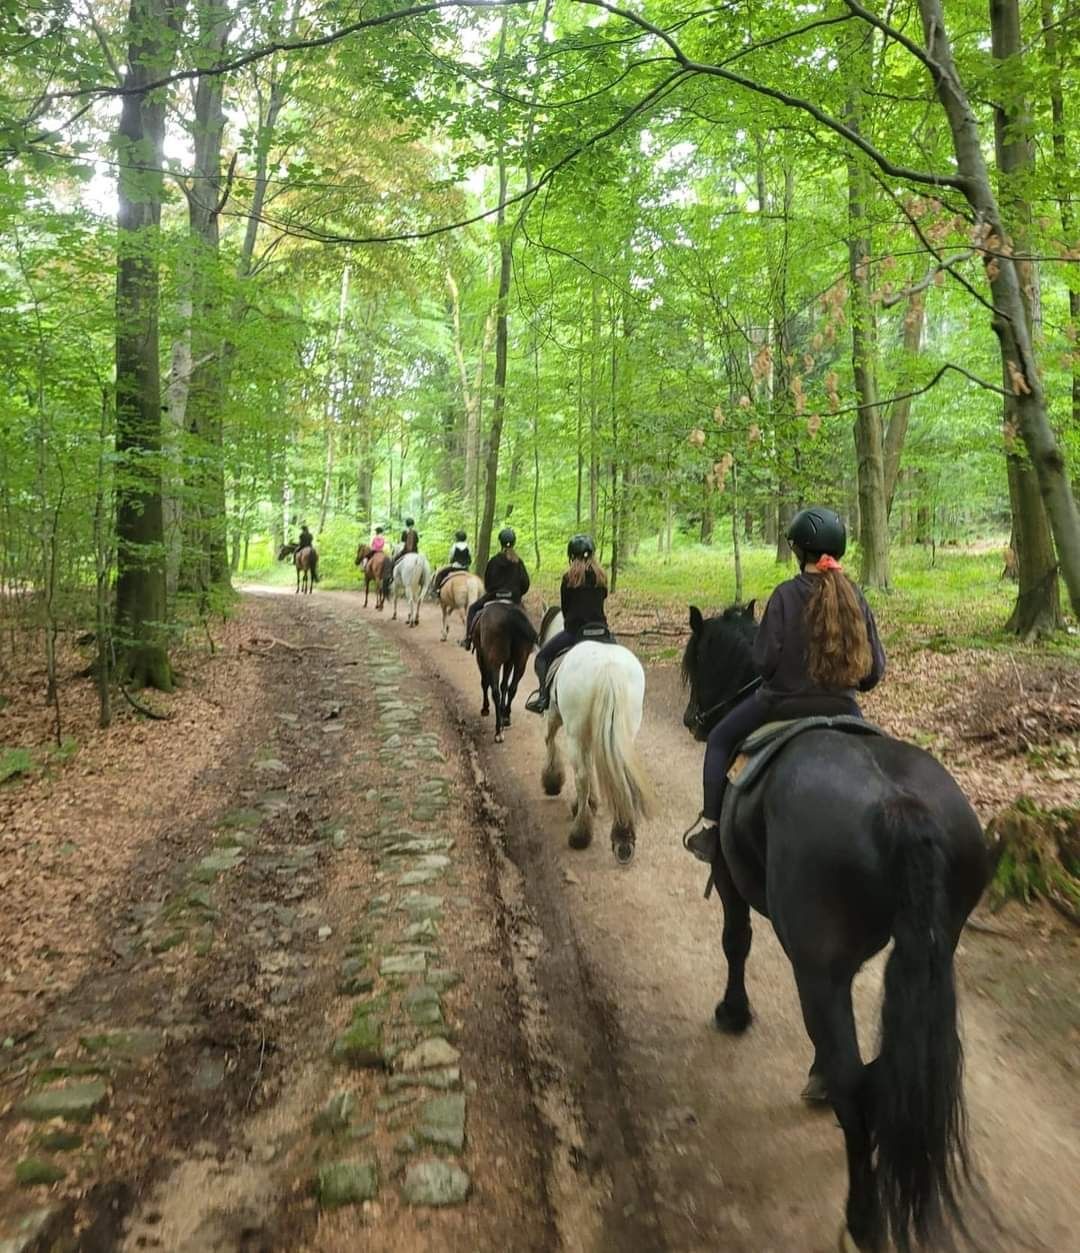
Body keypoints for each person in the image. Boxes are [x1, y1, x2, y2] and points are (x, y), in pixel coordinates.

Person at [683, 505, 885, 863]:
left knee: (717, 740)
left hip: (780, 704)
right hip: (846, 708)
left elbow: (763, 663)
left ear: (799, 551)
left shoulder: (786, 595)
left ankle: (712, 829)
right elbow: (873, 673)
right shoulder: (856, 597)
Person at [525, 535, 610, 713]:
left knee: (541, 658)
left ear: (571, 556)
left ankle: (543, 698)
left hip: (576, 634)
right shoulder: (601, 577)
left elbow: (565, 609)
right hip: (602, 633)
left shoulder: (568, 578)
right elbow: (603, 598)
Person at [460, 526, 530, 651]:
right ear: (514, 542)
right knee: (526, 618)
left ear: (500, 542)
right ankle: (531, 643)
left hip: (493, 596)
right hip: (513, 598)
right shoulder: (518, 562)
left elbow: (487, 583)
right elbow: (525, 583)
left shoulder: (493, 561)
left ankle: (468, 638)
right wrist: (517, 594)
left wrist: (493, 592)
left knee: (472, 609)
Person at [432, 530, 472, 594]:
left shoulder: (454, 546)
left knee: (440, 573)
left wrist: (450, 562)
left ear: (457, 538)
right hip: (465, 568)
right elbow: (470, 556)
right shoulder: (468, 546)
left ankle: (437, 589)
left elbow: (451, 556)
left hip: (455, 566)